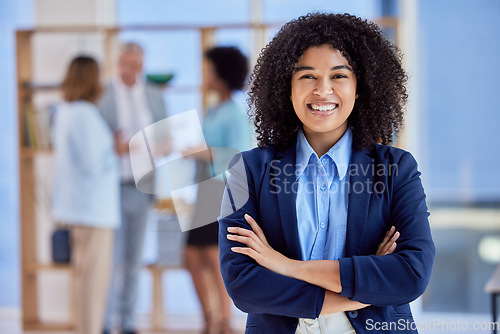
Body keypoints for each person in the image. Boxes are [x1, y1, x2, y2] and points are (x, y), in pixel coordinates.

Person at [218, 13, 435, 334]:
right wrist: (359, 294)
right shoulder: (246, 170)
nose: (323, 90)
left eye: (339, 76)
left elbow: (411, 275)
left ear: (360, 87)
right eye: (307, 76)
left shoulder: (396, 169)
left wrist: (286, 266)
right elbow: (242, 284)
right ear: (286, 87)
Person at [98, 42, 167, 334]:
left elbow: (166, 137)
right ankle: (102, 322)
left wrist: (157, 146)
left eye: (135, 65)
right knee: (109, 260)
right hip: (110, 188)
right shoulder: (103, 95)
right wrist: (118, 147)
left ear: (142, 66)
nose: (130, 70)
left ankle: (126, 322)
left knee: (134, 259)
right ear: (117, 63)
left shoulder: (153, 95)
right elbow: (99, 141)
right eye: (125, 64)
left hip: (142, 187)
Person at [182, 46, 252, 334]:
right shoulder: (214, 109)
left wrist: (205, 154)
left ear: (222, 74)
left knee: (213, 255)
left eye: (210, 69)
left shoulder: (234, 112)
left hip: (223, 189)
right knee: (191, 257)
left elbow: (238, 154)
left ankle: (225, 322)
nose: (206, 75)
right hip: (205, 189)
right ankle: (210, 319)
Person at [52, 56, 120, 334]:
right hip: (95, 212)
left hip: (77, 209)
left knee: (83, 280)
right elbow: (95, 163)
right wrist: (115, 147)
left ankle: (84, 328)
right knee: (94, 282)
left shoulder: (65, 111)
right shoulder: (85, 114)